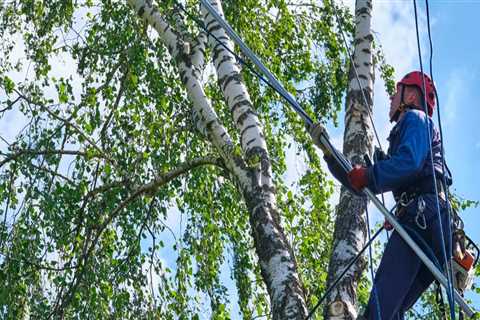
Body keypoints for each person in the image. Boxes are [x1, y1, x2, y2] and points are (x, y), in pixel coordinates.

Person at [310, 71, 452, 319]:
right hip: (434, 229)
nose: (391, 97)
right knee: (391, 313)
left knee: (379, 311)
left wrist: (370, 175)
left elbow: (408, 163)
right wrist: (330, 155)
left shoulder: (416, 119)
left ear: (410, 95)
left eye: (396, 91)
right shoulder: (412, 131)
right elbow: (361, 184)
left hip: (422, 217)